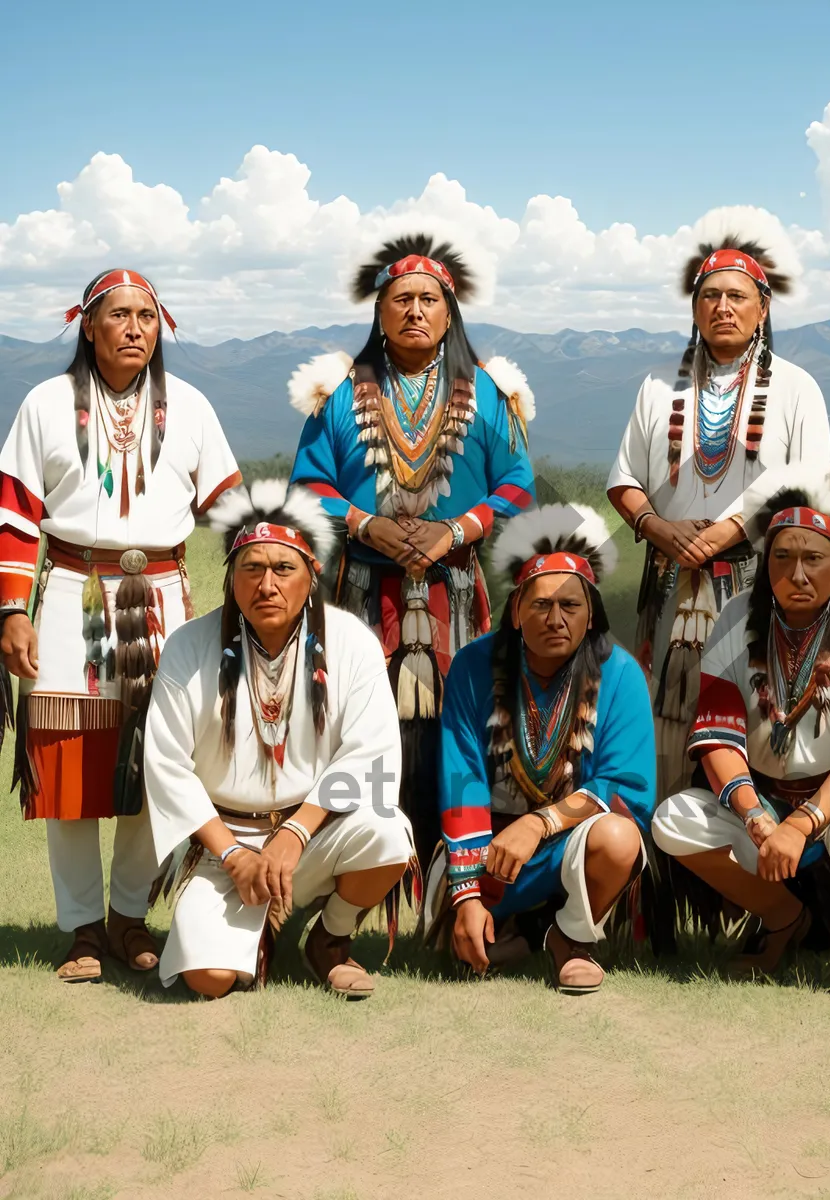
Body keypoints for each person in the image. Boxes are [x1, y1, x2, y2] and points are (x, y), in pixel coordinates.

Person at [0, 269, 240, 983]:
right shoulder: (45, 404)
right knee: (71, 763)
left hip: (163, 595)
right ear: (88, 326)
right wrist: (12, 609)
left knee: (156, 759)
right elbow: (13, 509)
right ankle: (80, 928)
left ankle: (130, 917)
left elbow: (230, 508)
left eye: (147, 316)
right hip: (73, 589)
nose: (135, 328)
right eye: (119, 315)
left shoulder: (191, 407)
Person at [289, 230, 536, 870]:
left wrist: (454, 531)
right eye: (401, 299)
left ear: (449, 313)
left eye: (429, 298)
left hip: (455, 591)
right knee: (358, 727)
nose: (415, 310)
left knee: (465, 729)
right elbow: (308, 485)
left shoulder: (487, 393)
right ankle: (360, 871)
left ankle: (457, 876)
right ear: (379, 311)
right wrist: (367, 524)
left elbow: (517, 484)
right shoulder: (339, 392)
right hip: (365, 591)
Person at [653, 467, 830, 999]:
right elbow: (718, 737)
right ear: (765, 566)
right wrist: (755, 815)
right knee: (675, 820)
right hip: (765, 797)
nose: (797, 574)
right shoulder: (736, 618)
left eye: (813, 559)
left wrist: (803, 823)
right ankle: (786, 917)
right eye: (782, 558)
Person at [143, 481, 414, 998]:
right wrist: (232, 855)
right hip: (228, 844)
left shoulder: (352, 641)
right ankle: (255, 934)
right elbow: (167, 766)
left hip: (314, 839)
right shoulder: (187, 646)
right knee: (208, 981)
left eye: (283, 569)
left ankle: (330, 939)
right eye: (252, 568)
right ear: (230, 577)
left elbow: (371, 755)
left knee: (386, 830)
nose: (267, 584)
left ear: (311, 577)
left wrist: (295, 834)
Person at [607, 208, 830, 807]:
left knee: (760, 715)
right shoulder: (658, 386)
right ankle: (667, 858)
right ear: (694, 309)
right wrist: (658, 527)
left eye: (737, 295)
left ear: (763, 308)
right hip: (672, 581)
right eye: (710, 296)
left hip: (761, 582)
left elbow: (810, 486)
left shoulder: (796, 387)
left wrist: (730, 529)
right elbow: (625, 478)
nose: (722, 307)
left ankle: (766, 866)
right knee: (667, 718)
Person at [426, 504, 655, 994]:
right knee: (463, 947)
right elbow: (461, 776)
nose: (555, 619)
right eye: (540, 605)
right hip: (489, 851)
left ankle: (571, 938)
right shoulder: (473, 667)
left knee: (618, 839)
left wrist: (539, 823)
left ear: (591, 613)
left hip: (569, 843)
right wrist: (465, 894)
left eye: (570, 606)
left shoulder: (619, 674)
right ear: (515, 611)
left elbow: (625, 788)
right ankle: (529, 932)